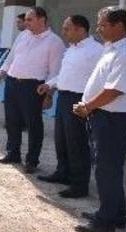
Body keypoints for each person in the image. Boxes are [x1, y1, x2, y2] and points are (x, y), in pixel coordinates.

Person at [72, 9, 126, 232]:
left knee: (107, 169)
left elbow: (115, 90)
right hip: (104, 116)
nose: (98, 29)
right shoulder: (114, 48)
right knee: (109, 169)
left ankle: (105, 220)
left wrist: (87, 107)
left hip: (114, 119)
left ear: (119, 26)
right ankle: (116, 214)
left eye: (103, 25)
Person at [0, 7, 65, 173]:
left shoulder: (54, 42)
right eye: (26, 20)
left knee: (33, 124)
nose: (26, 23)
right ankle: (13, 152)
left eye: (30, 20)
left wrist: (49, 95)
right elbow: (10, 59)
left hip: (33, 87)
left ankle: (32, 160)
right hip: (12, 83)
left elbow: (55, 72)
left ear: (42, 20)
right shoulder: (23, 35)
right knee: (12, 121)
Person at [36, 15, 102, 198]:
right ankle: (63, 172)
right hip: (64, 97)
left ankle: (79, 185)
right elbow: (64, 75)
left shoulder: (96, 50)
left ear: (80, 29)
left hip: (80, 99)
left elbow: (101, 79)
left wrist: (90, 104)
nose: (63, 32)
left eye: (67, 28)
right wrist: (49, 85)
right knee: (62, 139)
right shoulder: (71, 49)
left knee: (78, 143)